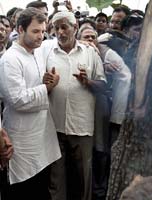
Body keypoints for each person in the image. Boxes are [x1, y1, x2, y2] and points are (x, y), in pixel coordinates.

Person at [37, 11, 106, 200]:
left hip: (81, 126)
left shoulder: (90, 53)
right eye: (56, 28)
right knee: (56, 178)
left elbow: (103, 86)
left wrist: (88, 82)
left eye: (64, 27)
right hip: (55, 126)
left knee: (83, 176)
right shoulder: (46, 51)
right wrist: (46, 83)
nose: (59, 32)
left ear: (75, 28)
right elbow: (39, 86)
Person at [0, 8, 61, 200]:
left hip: (40, 137)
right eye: (35, 31)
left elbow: (58, 42)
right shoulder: (10, 59)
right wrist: (46, 88)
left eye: (43, 31)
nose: (41, 36)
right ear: (20, 29)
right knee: (22, 191)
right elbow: (17, 99)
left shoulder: (37, 52)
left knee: (40, 189)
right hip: (22, 141)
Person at [77, 25, 131, 200]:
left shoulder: (106, 57)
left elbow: (113, 84)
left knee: (100, 151)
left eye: (93, 37)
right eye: (86, 37)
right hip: (78, 115)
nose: (90, 40)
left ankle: (99, 191)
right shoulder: (74, 56)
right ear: (78, 39)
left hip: (100, 111)